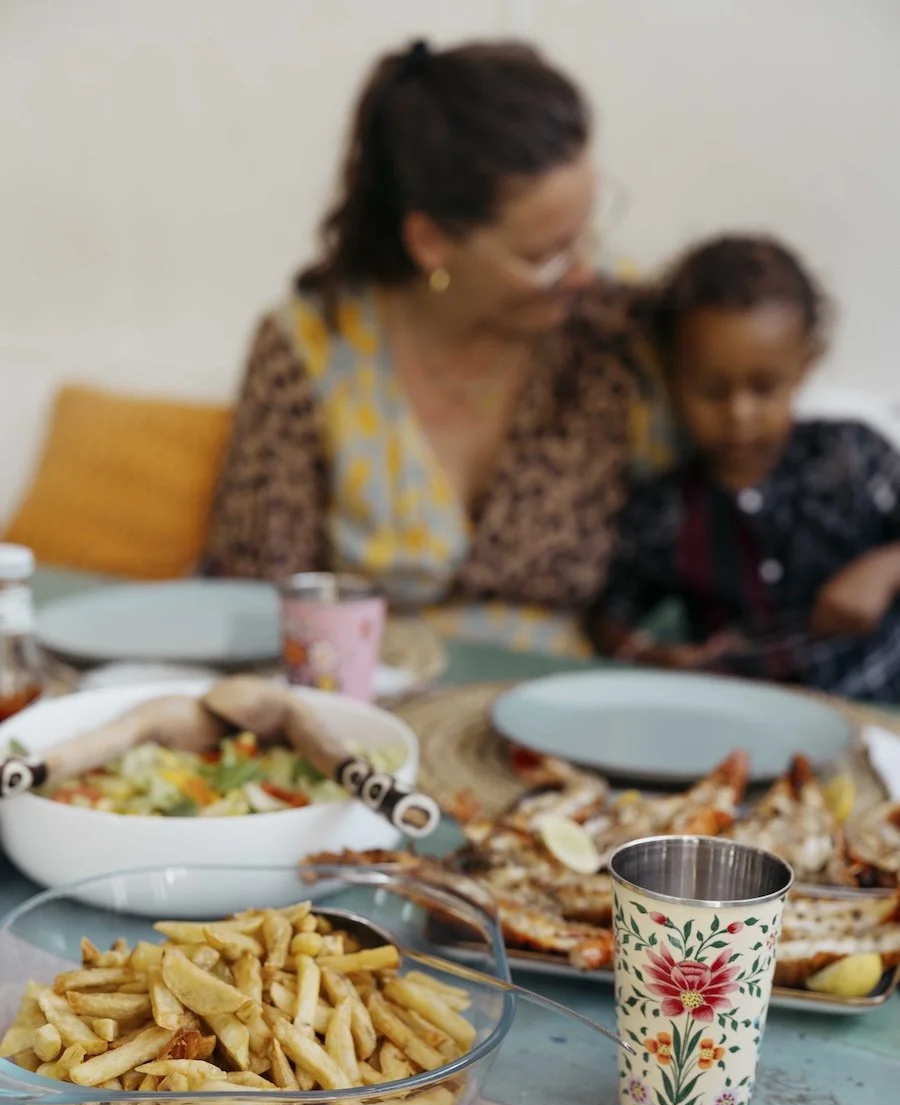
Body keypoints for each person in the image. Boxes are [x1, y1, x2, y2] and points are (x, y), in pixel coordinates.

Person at [202, 39, 661, 655]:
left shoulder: (613, 331)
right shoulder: (309, 348)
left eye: (589, 230)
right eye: (542, 255)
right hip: (362, 714)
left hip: (568, 724)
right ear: (430, 242)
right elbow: (257, 598)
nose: (583, 270)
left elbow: (741, 484)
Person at [587, 234, 900, 700]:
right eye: (712, 391)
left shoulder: (852, 455)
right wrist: (649, 657)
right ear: (672, 375)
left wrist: (885, 567)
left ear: (804, 365)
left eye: (765, 388)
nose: (740, 414)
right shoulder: (665, 511)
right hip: (757, 724)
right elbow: (610, 617)